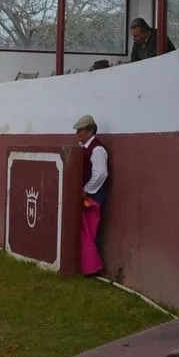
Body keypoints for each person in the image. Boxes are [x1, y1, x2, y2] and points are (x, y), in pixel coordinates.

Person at [73, 114, 109, 276]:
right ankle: (87, 265)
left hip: (93, 194)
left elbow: (101, 174)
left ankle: (92, 267)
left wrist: (86, 190)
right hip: (87, 193)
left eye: (81, 130)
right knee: (84, 229)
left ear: (90, 131)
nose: (77, 133)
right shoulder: (86, 148)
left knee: (90, 230)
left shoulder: (97, 149)